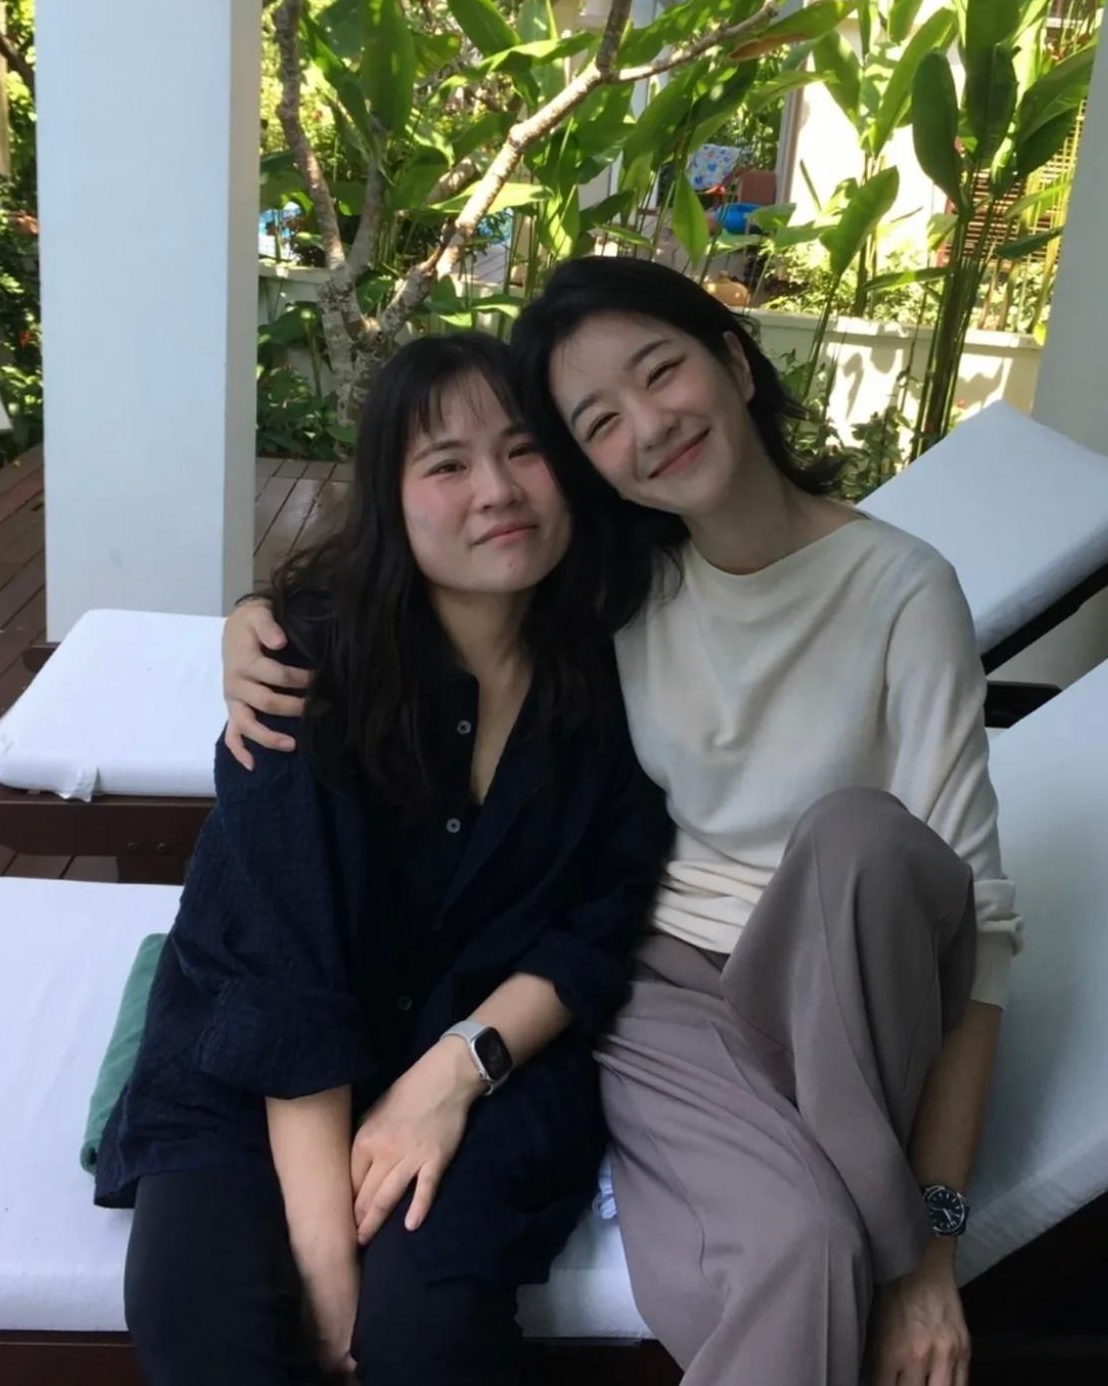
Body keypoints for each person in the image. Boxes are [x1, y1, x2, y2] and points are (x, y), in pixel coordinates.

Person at [223, 258, 1023, 1386]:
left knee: (858, 837)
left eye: (661, 372)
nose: (647, 428)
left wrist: (931, 1256)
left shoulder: (902, 589)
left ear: (733, 359)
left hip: (846, 985)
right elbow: (410, 584)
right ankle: (838, 1206)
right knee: (799, 1247)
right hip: (669, 998)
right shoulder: (616, 588)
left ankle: (876, 1221)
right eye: (597, 421)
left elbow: (980, 940)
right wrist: (256, 620)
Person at [97, 332, 672, 1386]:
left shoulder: (622, 666)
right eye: (446, 463)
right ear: (388, 499)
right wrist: (328, 1262)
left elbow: (599, 920)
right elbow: (283, 973)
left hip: (487, 1049)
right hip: (254, 1066)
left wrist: (454, 1073)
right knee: (207, 1328)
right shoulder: (303, 670)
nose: (496, 490)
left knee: (427, 1339)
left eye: (523, 450)